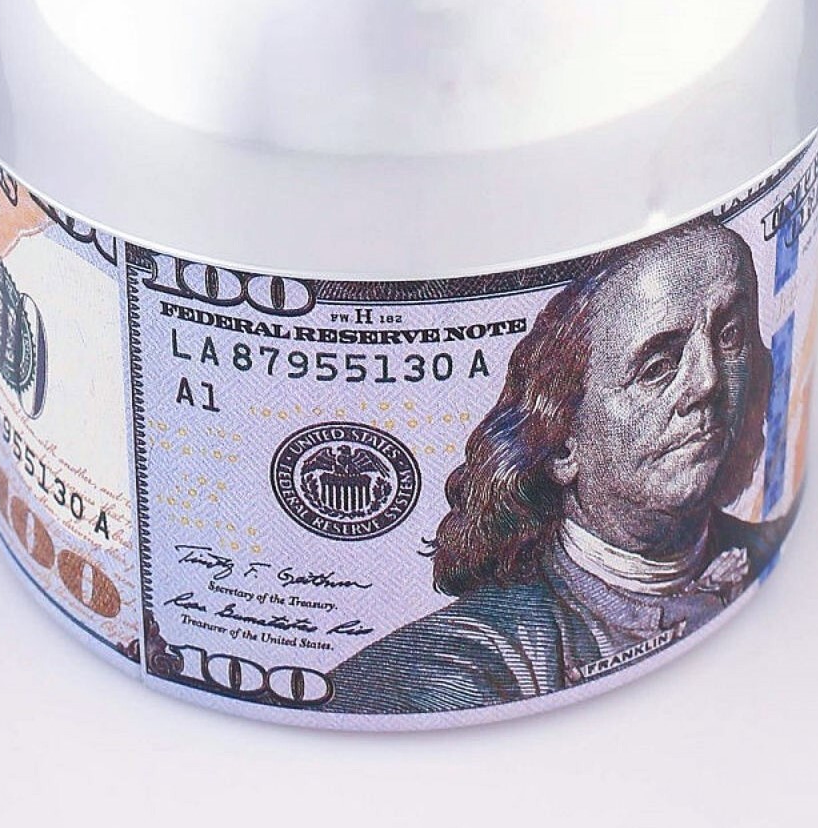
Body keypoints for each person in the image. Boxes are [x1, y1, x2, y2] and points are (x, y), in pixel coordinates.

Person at [326, 216, 790, 714]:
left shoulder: (763, 544)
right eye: (657, 368)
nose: (707, 381)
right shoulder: (453, 665)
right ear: (563, 444)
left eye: (729, 336)